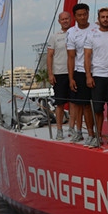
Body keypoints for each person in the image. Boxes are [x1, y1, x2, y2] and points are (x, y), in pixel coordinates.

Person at [84, 8, 108, 148]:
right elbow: (87, 57)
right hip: (98, 76)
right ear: (99, 19)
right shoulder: (92, 35)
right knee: (98, 108)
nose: (105, 19)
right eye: (103, 17)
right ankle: (98, 136)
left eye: (107, 17)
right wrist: (89, 75)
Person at [67, 3, 95, 144]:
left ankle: (94, 133)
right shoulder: (71, 32)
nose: (83, 17)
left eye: (85, 14)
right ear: (75, 17)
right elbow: (71, 56)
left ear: (88, 14)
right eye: (80, 15)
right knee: (80, 104)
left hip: (97, 71)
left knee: (92, 105)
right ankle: (82, 132)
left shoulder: (96, 28)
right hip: (80, 71)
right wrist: (71, 78)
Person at [47, 11, 73, 140]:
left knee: (75, 103)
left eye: (67, 18)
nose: (65, 21)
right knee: (60, 104)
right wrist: (50, 74)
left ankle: (73, 128)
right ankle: (59, 130)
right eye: (62, 19)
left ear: (70, 19)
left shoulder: (75, 33)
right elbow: (49, 55)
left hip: (74, 73)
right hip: (60, 73)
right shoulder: (54, 37)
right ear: (59, 21)